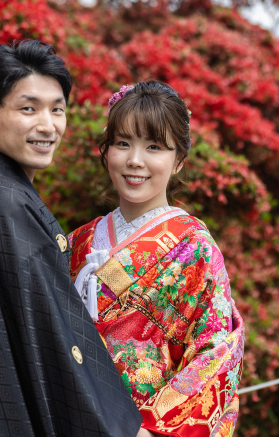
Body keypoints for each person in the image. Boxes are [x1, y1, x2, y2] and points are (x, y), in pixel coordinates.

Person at [0, 40, 143, 436]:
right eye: (28, 109)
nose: (48, 125)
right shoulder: (0, 202)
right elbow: (54, 338)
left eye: (57, 109)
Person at [68, 81, 245, 437]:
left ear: (178, 161)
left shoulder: (194, 248)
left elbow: (216, 351)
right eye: (122, 143)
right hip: (72, 414)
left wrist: (151, 430)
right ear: (106, 151)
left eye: (154, 147)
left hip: (144, 428)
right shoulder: (78, 241)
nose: (135, 160)